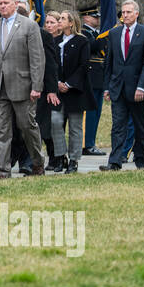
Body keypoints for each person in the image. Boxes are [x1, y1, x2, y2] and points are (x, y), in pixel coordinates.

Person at [0, 0, 46, 179]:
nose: (2, 6)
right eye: (0, 3)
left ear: (15, 4)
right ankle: (4, 170)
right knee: (2, 131)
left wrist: (36, 86)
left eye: (5, 3)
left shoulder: (28, 26)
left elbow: (37, 59)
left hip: (23, 86)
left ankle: (37, 162)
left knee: (27, 126)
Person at [99, 0, 144, 172]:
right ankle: (114, 162)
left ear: (136, 14)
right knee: (118, 126)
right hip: (118, 88)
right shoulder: (114, 34)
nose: (125, 15)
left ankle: (141, 159)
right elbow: (109, 62)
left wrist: (141, 87)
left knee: (140, 126)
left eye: (129, 12)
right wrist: (107, 87)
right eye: (123, 12)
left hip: (137, 88)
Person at [54, 10, 89, 173]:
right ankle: (61, 156)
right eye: (59, 18)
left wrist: (69, 83)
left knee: (75, 127)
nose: (59, 21)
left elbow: (83, 66)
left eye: (62, 19)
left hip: (75, 91)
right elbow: (51, 65)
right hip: (58, 91)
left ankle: (74, 159)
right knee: (55, 122)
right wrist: (57, 83)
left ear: (71, 23)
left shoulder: (82, 41)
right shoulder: (55, 41)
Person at [37, 11, 63, 171]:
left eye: (52, 22)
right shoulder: (42, 38)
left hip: (58, 87)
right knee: (44, 125)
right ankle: (52, 158)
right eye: (47, 23)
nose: (49, 26)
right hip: (46, 86)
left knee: (54, 125)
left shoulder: (61, 41)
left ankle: (58, 157)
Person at [80, 6, 106, 155]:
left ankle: (91, 142)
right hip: (89, 77)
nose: (97, 19)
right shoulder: (83, 33)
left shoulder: (96, 33)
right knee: (88, 113)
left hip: (99, 77)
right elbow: (92, 46)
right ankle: (85, 143)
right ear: (86, 17)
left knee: (96, 112)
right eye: (94, 16)